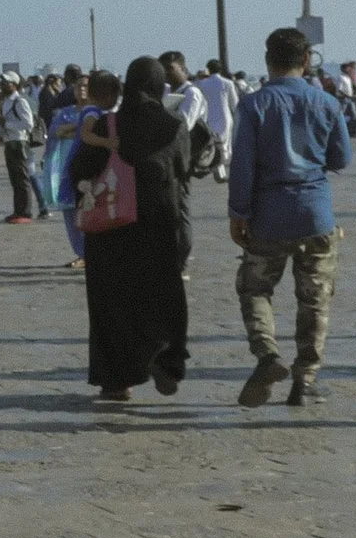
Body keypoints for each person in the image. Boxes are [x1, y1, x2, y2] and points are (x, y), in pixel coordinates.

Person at [226, 26, 351, 409]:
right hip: (315, 214)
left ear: (268, 60)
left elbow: (242, 166)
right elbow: (341, 159)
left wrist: (238, 213)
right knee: (315, 299)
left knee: (255, 288)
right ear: (306, 60)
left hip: (268, 216)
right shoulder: (326, 102)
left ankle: (267, 355)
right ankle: (305, 380)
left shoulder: (253, 104)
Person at [71, 58, 194, 403]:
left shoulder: (107, 125)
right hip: (158, 226)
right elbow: (184, 169)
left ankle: (115, 381)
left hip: (111, 230)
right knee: (164, 296)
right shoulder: (172, 125)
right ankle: (165, 360)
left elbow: (78, 171)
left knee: (112, 304)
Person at [42, 72, 98, 268]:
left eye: (86, 86)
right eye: (78, 86)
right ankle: (81, 252)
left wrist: (71, 129)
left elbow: (91, 132)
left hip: (91, 167)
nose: (82, 89)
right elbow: (56, 132)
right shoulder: (64, 112)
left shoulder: (98, 112)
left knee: (91, 209)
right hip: (66, 168)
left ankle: (94, 252)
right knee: (71, 212)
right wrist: (77, 128)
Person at [0, 80, 40, 223]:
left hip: (19, 142)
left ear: (14, 84)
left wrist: (7, 124)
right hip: (9, 142)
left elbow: (28, 123)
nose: (3, 86)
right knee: (15, 179)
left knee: (22, 178)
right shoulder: (5, 102)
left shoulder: (20, 101)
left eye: (6, 83)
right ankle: (18, 210)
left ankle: (25, 212)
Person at [197, 59, 242, 184]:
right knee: (224, 145)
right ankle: (219, 170)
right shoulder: (227, 83)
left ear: (208, 69)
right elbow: (235, 103)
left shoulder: (202, 83)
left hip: (208, 117)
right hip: (224, 116)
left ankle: (218, 170)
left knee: (214, 144)